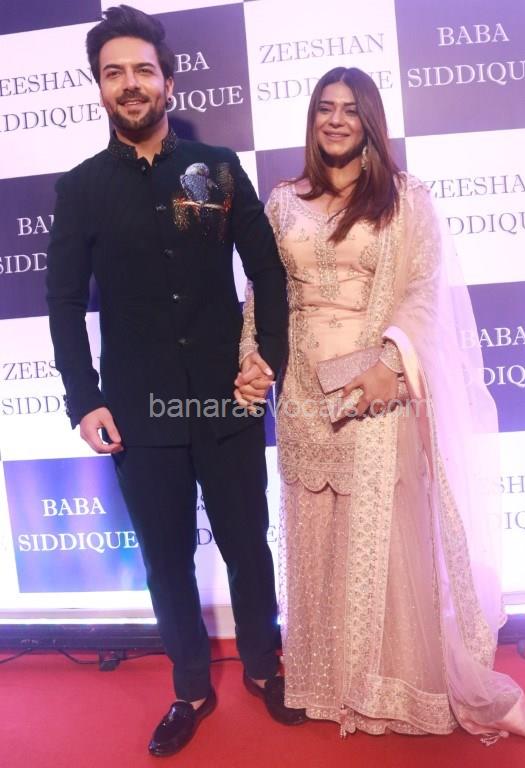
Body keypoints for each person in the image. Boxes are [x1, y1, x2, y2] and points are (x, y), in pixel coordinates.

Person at [235, 66, 525, 742]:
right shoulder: (283, 200)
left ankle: (388, 687)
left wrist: (390, 364)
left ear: (369, 121)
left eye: (350, 109)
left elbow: (423, 290)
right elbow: (264, 294)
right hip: (303, 394)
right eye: (325, 108)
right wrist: (252, 356)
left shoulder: (404, 199)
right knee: (316, 534)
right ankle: (324, 684)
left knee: (385, 537)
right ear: (312, 120)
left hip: (375, 388)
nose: (336, 120)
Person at [46, 5, 305, 758]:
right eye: (114, 73)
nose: (130, 84)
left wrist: (268, 359)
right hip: (137, 408)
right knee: (165, 559)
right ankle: (190, 688)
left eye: (143, 70)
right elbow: (63, 301)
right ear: (100, 87)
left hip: (226, 397)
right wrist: (83, 398)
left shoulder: (217, 167)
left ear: (168, 81)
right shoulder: (81, 188)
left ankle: (263, 666)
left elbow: (267, 270)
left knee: (247, 544)